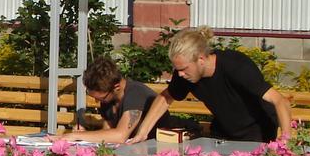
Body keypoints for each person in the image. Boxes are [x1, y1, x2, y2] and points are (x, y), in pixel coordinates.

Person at [127, 26, 292, 144]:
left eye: (184, 69)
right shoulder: (184, 74)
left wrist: (285, 144)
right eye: (178, 70)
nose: (180, 75)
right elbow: (165, 97)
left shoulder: (236, 66)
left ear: (200, 59)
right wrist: (142, 133)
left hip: (258, 136)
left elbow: (280, 101)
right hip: (223, 135)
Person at [70, 56, 161, 144]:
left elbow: (120, 136)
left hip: (158, 148)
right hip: (134, 148)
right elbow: (107, 132)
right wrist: (84, 134)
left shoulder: (136, 93)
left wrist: (79, 136)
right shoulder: (109, 98)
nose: (97, 102)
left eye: (101, 98)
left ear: (116, 87)